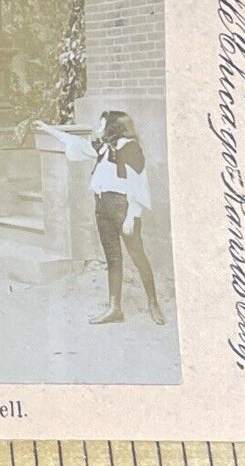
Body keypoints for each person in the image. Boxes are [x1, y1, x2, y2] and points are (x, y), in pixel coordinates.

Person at [36, 112, 166, 325]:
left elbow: (138, 184)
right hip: (102, 206)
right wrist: (46, 127)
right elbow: (73, 142)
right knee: (113, 259)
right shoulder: (104, 147)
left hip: (123, 208)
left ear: (112, 126)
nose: (99, 125)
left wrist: (131, 217)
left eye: (102, 122)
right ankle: (115, 308)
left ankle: (153, 304)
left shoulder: (130, 147)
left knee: (138, 256)